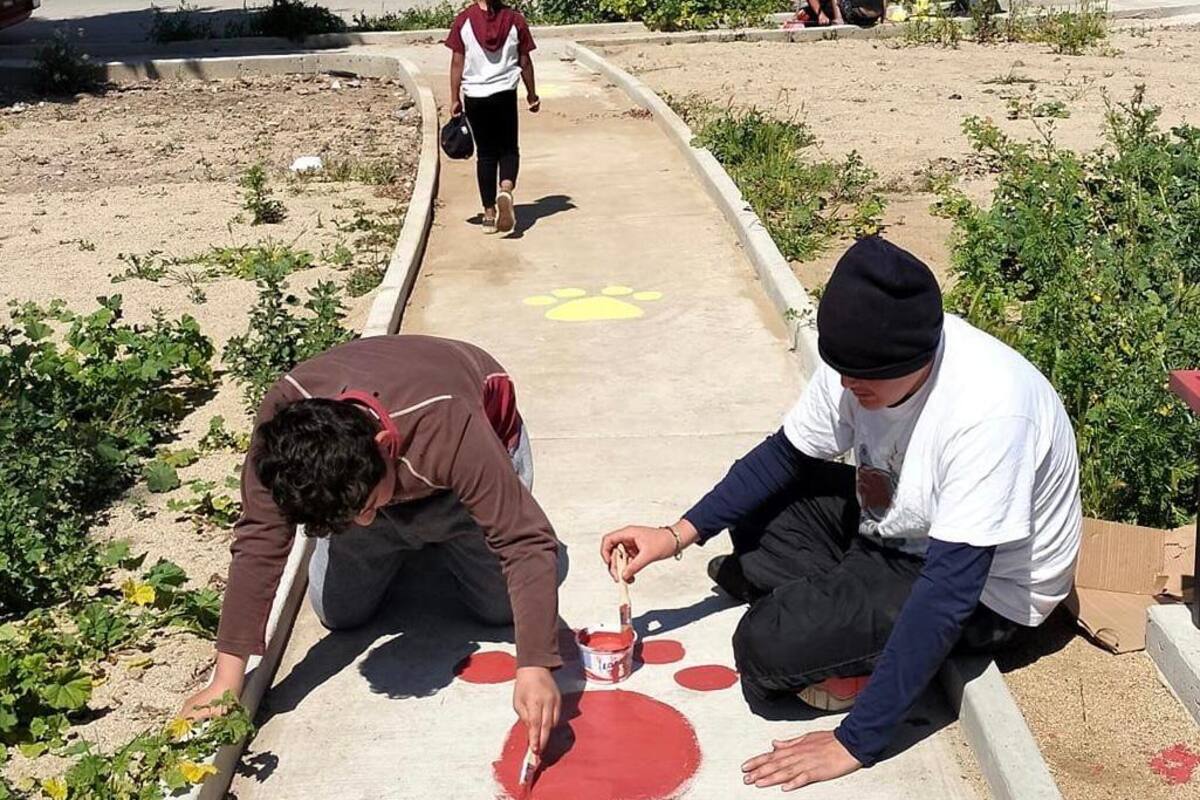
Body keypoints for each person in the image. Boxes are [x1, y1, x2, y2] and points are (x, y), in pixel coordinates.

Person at [601, 237, 1082, 791]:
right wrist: (675, 534)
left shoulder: (990, 413)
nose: (849, 386)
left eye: (865, 379)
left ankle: (844, 643)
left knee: (763, 648)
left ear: (921, 356)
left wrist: (857, 740)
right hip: (899, 528)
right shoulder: (862, 356)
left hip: (985, 593)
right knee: (759, 511)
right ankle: (841, 613)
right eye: (842, 371)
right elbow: (782, 456)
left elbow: (948, 592)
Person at [181, 336, 565, 758]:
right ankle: (411, 540)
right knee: (339, 613)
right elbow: (259, 538)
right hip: (375, 477)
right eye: (347, 518)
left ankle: (446, 534)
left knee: (500, 610)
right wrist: (225, 682)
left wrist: (534, 666)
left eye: (364, 509)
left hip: (462, 469)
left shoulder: (448, 423)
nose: (363, 523)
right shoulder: (284, 433)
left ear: (384, 446)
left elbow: (523, 539)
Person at [447, 0, 540, 235]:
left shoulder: (463, 20)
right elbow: (525, 61)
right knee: (508, 148)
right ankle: (506, 190)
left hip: (475, 96)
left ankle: (489, 215)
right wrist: (531, 94)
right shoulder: (515, 20)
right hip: (505, 94)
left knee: (486, 154)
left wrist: (454, 97)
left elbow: (457, 62)